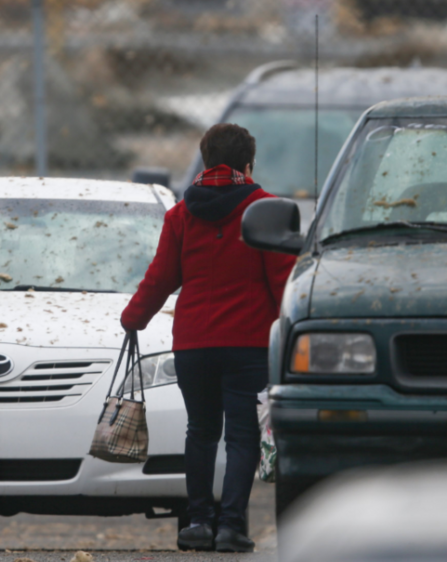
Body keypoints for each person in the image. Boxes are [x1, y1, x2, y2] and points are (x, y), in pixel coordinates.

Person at [121, 123, 297, 553]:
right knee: (241, 436)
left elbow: (161, 277)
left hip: (193, 345)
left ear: (205, 161)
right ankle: (232, 527)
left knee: (200, 431)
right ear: (247, 164)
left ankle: (197, 523)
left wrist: (133, 318)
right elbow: (284, 284)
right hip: (248, 345)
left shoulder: (180, 214)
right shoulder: (266, 209)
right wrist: (294, 329)